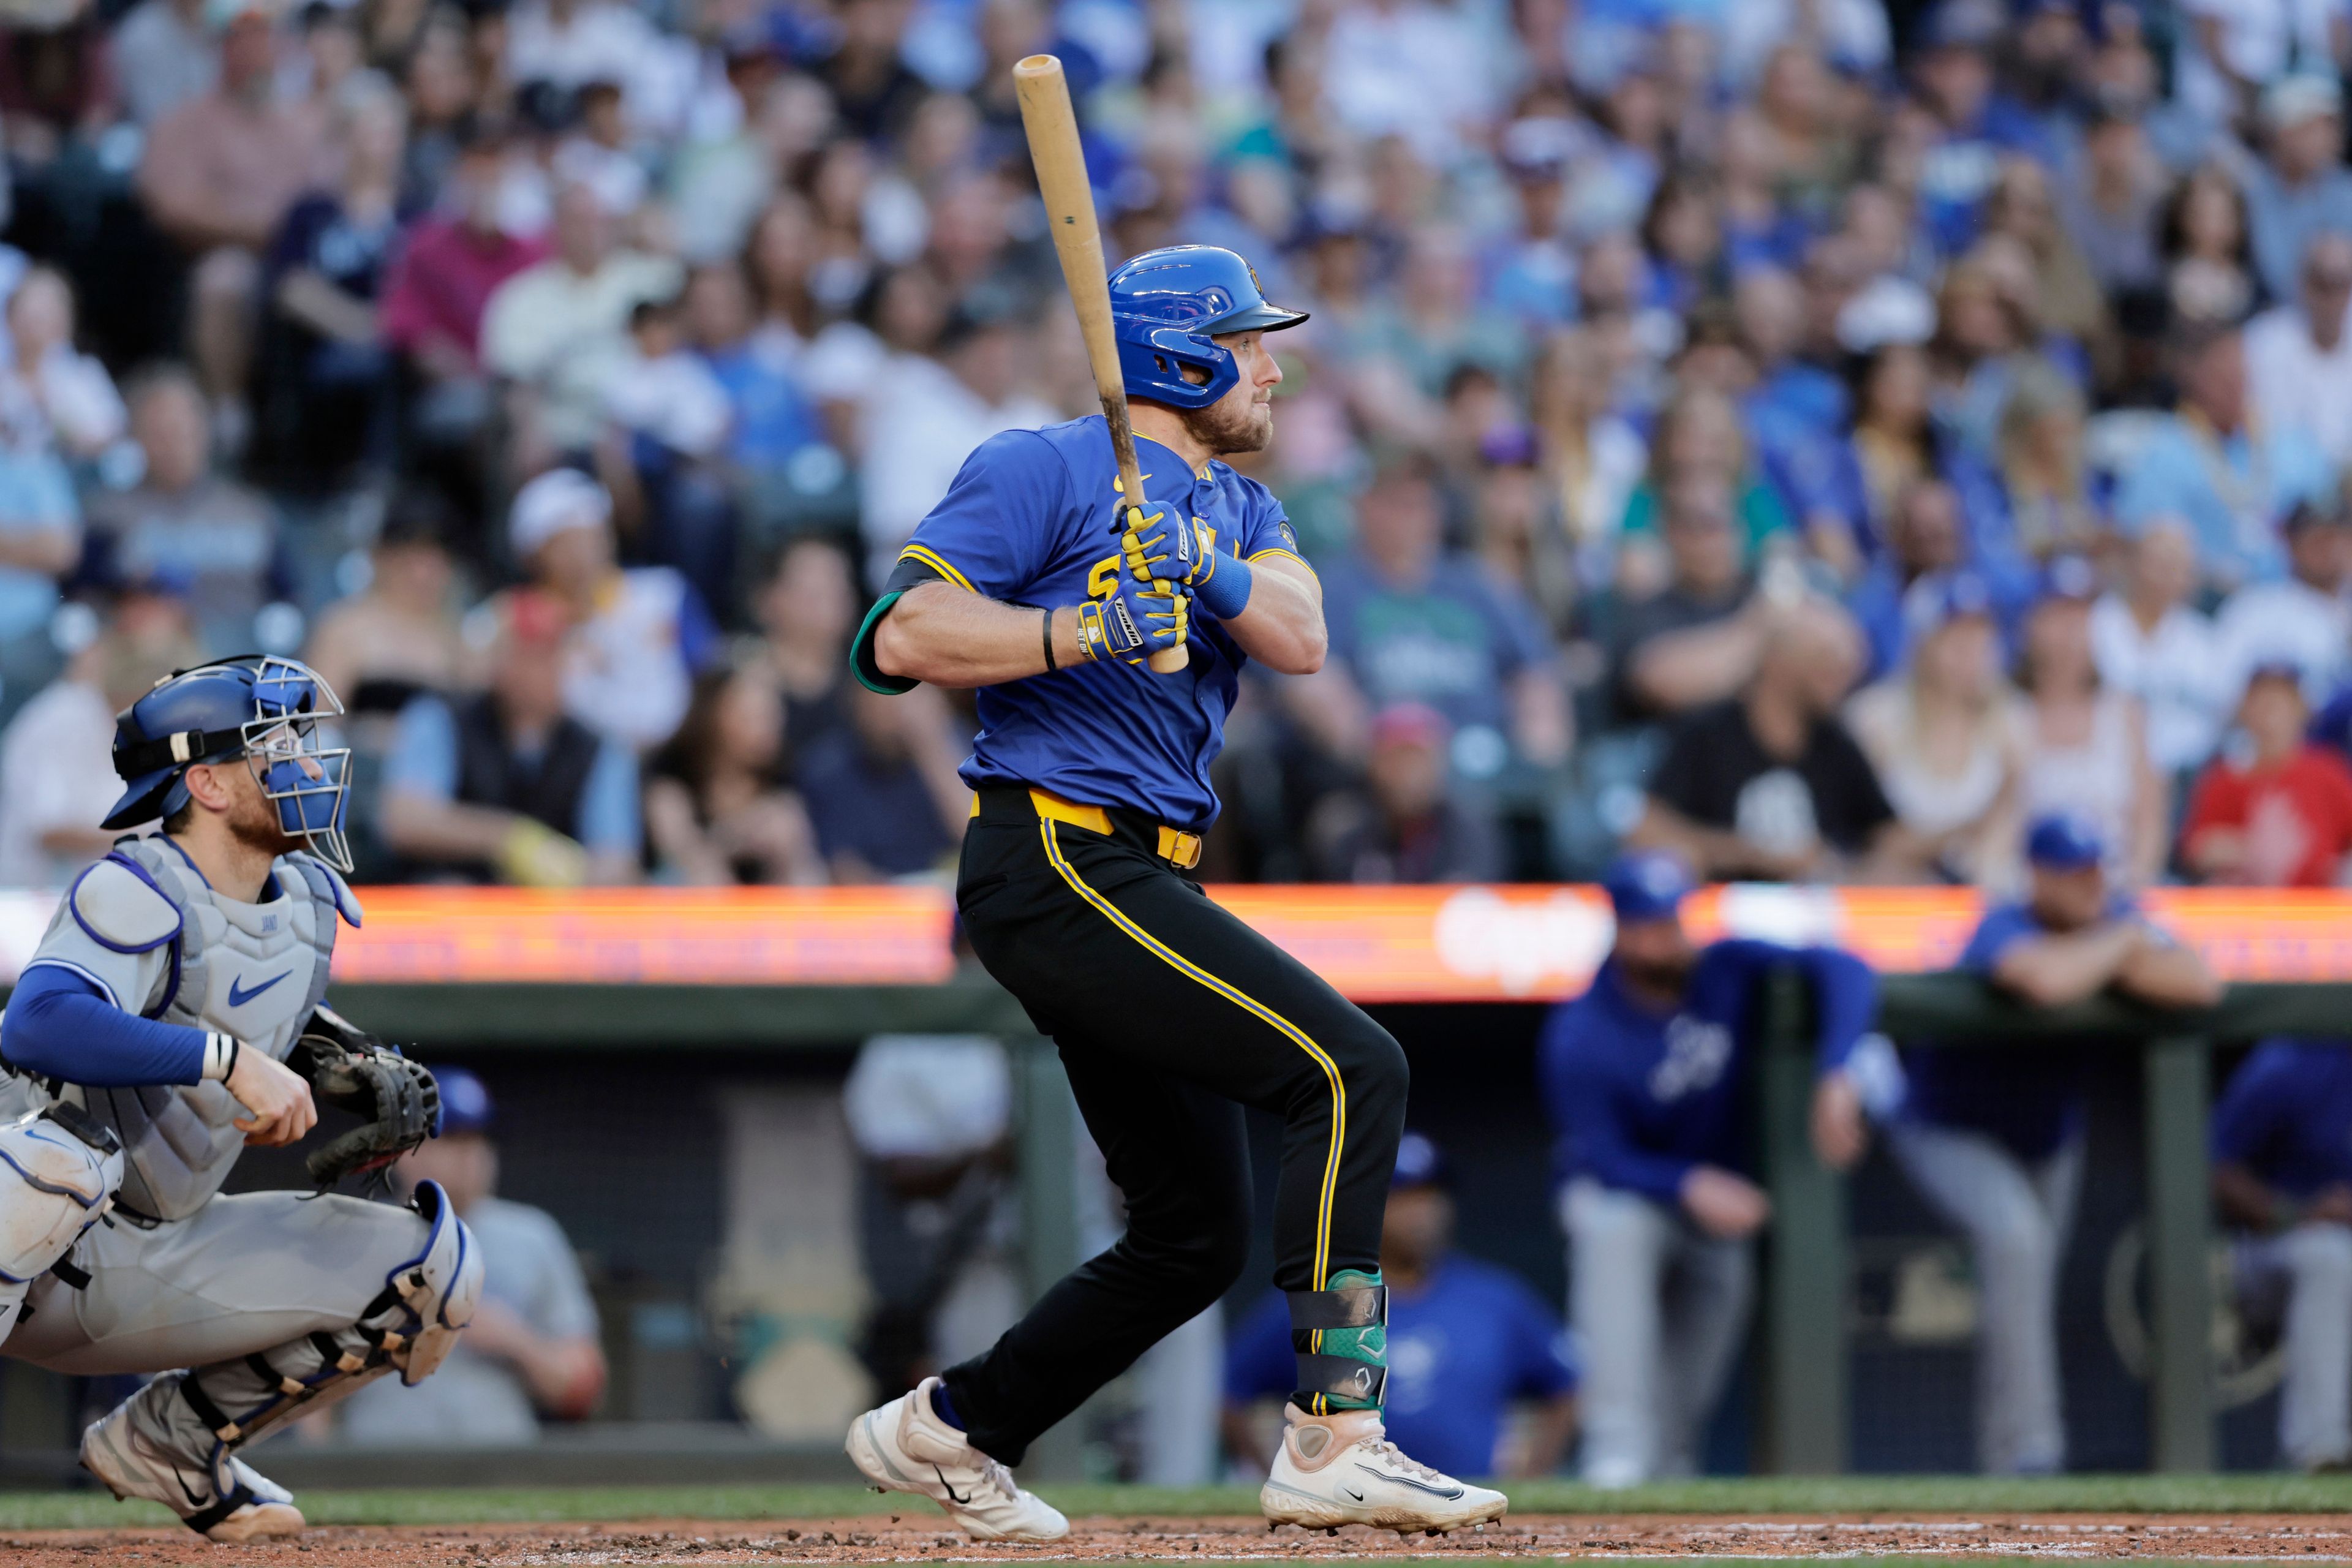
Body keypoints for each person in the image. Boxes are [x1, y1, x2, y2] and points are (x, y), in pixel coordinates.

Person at [844, 245, 1505, 1540]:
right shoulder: (1043, 465)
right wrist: (1079, 626)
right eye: (1250, 344)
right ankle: (1334, 1431)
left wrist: (1198, 564)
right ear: (1184, 357)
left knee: (1194, 1233)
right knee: (1348, 1066)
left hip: (1140, 868)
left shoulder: (1241, 507)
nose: (1273, 366)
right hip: (1055, 852)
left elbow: (1304, 635)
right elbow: (900, 636)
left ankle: (954, 1424)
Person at [0, 656, 475, 1540]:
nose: (304, 766)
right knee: (53, 1164)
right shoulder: (136, 882)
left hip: (149, 1258)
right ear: (207, 783)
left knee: (437, 1271)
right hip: (27, 1232)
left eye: (300, 743)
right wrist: (226, 1061)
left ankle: (171, 1444)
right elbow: (37, 1024)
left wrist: (345, 1061)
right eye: (276, 747)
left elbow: (242, 994)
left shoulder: (304, 905)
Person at [1888, 812, 2222, 1474]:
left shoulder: (2115, 916)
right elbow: (2039, 980)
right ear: (2037, 874)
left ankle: (2003, 1462)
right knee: (2018, 1241)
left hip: (2047, 1139)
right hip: (1949, 1125)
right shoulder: (2004, 920)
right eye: (2073, 872)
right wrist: (2124, 947)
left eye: (2096, 869)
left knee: (2027, 1281)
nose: (2089, 884)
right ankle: (2033, 1451)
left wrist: (2115, 942)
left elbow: (2200, 982)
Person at [1539, 851, 1879, 1487]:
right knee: (1616, 1232)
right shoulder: (1581, 1030)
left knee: (1722, 1285)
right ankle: (1616, 1454)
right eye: (1651, 925)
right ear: (1623, 931)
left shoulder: (1721, 967)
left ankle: (1669, 1457)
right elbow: (1605, 1158)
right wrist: (1691, 1183)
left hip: (1708, 1198)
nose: (1668, 937)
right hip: (1624, 1187)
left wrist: (1836, 1070)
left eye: (1674, 920)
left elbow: (1849, 966)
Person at [1223, 1133, 1578, 1481]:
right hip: (1349, 1509)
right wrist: (1268, 1477)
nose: (1422, 1214)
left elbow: (1565, 1388)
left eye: (1431, 1197)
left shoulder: (1496, 1298)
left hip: (1471, 1506)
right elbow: (1230, 1394)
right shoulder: (1320, 1301)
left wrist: (1532, 1479)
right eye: (1402, 1198)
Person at [341, 1068, 606, 1444]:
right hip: (380, 1469)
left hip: (501, 1472)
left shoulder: (532, 1236)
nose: (472, 1156)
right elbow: (300, 1386)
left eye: (479, 1139)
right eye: (452, 1140)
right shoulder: (355, 1235)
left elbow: (583, 1391)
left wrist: (517, 1342)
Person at [380, 589, 641, 887]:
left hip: (553, 919)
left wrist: (570, 875)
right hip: (454, 908)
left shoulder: (599, 748)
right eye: (527, 653)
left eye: (552, 654)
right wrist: (509, 837)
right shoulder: (440, 718)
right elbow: (405, 820)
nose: (541, 670)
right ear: (497, 658)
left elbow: (617, 861)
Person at [1630, 598, 1902, 883]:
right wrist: (1753, 854)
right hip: (1721, 911)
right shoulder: (1708, 733)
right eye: (1824, 662)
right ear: (1779, 660)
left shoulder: (1836, 742)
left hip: (1816, 914)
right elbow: (1645, 832)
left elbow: (1885, 832)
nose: (1842, 678)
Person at [2210, 1038, 2352, 1470]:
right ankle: (2318, 1453)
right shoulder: (2292, 1061)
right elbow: (2216, 1166)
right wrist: (2299, 1213)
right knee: (2329, 1254)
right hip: (2272, 1249)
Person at [2114, 320, 2331, 590]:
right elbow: (2145, 542)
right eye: (2221, 376)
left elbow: (2328, 517)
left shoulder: (2288, 442)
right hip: (2201, 606)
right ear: (2191, 377)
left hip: (2295, 596)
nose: (2235, 386)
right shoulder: (2163, 452)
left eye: (2240, 372)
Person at [82, 366, 281, 658]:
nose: (173, 446)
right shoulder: (108, 515)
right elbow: (85, 603)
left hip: (242, 664)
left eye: (182, 430)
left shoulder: (252, 511)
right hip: (142, 668)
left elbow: (287, 603)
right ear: (137, 438)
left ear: (205, 431)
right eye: (159, 434)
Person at [1844, 571, 2023, 886]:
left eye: (1982, 638)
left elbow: (2002, 842)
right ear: (1924, 644)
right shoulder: (1875, 721)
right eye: (1957, 639)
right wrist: (1963, 834)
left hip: (1981, 898)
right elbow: (1865, 838)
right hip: (1892, 898)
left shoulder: (2013, 723)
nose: (1973, 652)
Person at [2016, 559, 2168, 888]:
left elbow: (2150, 821)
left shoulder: (2125, 714)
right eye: (2059, 614)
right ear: (2033, 624)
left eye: (2083, 614)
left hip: (2111, 892)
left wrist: (2135, 884)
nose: (2073, 627)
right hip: (2028, 899)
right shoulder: (2010, 715)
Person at [644, 662, 824, 885]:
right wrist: (739, 836)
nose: (769, 728)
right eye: (753, 717)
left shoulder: (786, 779)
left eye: (772, 716)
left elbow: (810, 873)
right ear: (713, 719)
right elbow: (682, 855)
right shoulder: (671, 782)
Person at [2181, 663, 2352, 886]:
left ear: (2301, 709)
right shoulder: (2225, 778)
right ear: (2245, 710)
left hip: (2316, 910)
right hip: (2249, 910)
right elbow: (2196, 851)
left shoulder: (2328, 771)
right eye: (2262, 701)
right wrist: (2243, 849)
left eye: (2282, 701)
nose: (2272, 712)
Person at [2087, 519, 2230, 782]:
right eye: (2158, 561)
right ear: (2131, 563)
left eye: (2178, 565)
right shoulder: (2095, 625)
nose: (2167, 573)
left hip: (2187, 777)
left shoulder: (2204, 641)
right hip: (2107, 771)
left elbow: (2221, 718)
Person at [1303, 702, 1504, 884]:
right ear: (1373, 763)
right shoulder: (1344, 827)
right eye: (1396, 758)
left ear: (1440, 763)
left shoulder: (1468, 831)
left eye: (1418, 759)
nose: (1408, 773)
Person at [2245, 233, 2352, 468]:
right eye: (2321, 284)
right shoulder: (2263, 342)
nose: (2331, 297)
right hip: (2285, 484)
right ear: (2303, 283)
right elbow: (2259, 432)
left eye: (2341, 284)